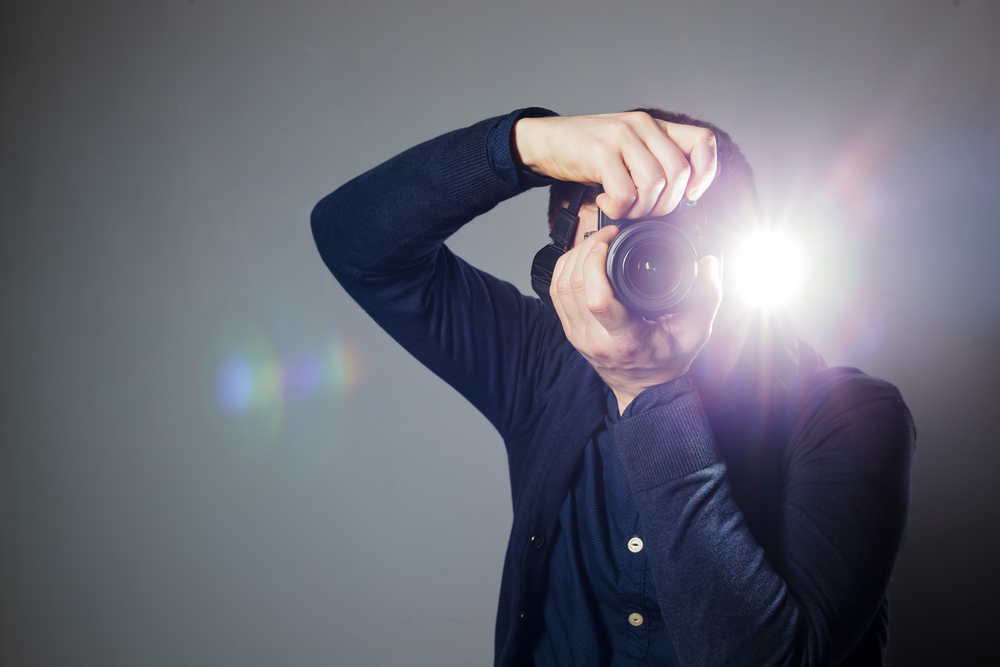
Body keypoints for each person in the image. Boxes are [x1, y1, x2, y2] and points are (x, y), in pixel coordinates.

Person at [311, 107, 915, 666]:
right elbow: (355, 241)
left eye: (678, 238)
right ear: (561, 264)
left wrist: (649, 389)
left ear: (741, 250)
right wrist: (528, 144)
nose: (650, 263)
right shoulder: (541, 361)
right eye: (620, 235)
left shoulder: (850, 415)